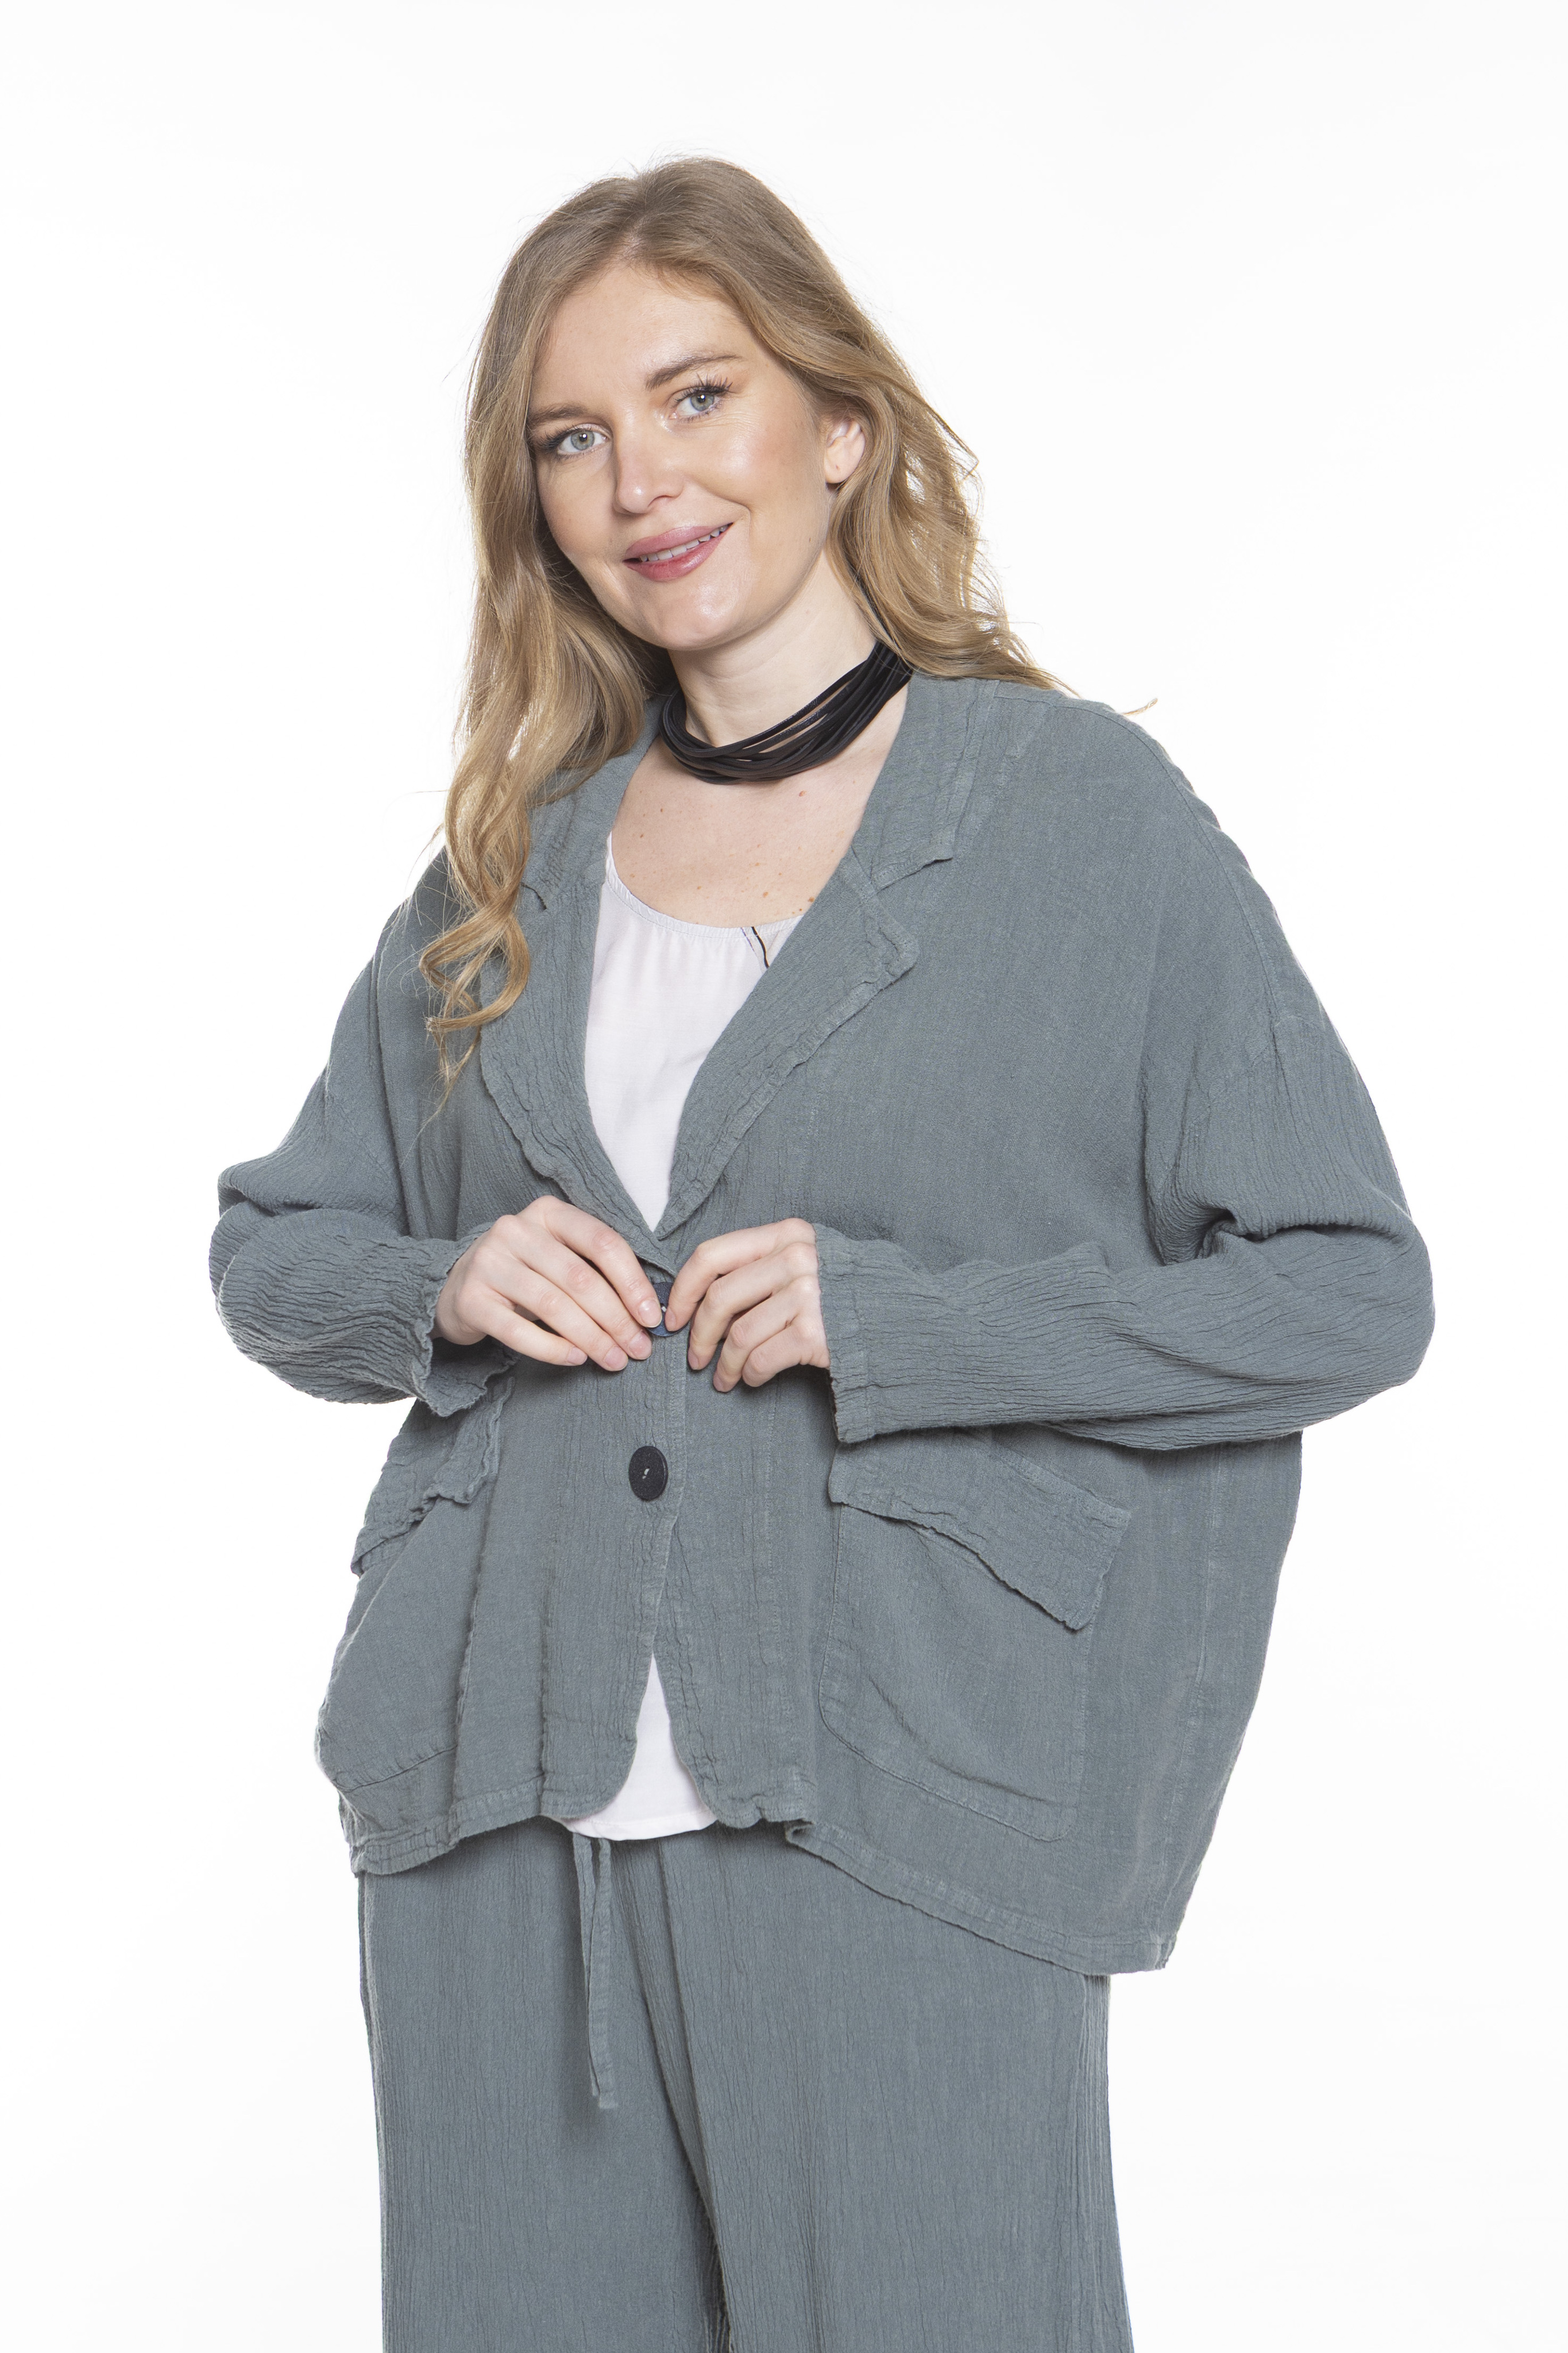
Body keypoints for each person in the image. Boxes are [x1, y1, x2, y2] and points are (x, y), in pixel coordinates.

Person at [210, 157, 1434, 2353]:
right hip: (493, 1816)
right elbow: (276, 1249)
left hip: (900, 1803)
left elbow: (1343, 1285)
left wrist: (905, 1324)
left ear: (840, 422)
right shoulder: (511, 868)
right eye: (570, 437)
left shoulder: (1077, 821)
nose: (638, 483)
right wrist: (441, 1287)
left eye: (696, 397)